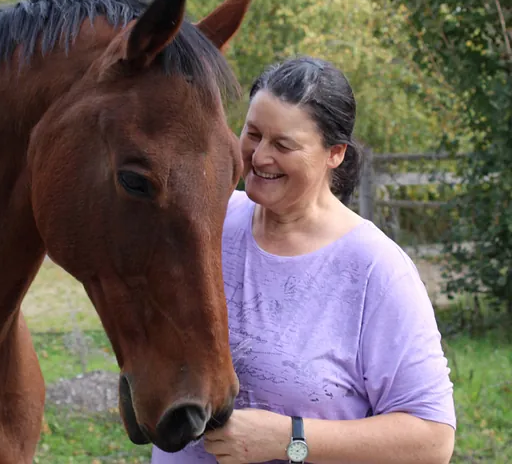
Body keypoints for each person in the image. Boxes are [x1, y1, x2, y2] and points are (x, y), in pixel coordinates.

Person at [151, 56, 456, 464]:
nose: (258, 157)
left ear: (335, 153)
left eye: (283, 145)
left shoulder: (375, 270)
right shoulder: (208, 221)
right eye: (253, 133)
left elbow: (432, 440)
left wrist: (290, 438)